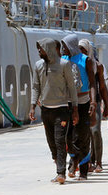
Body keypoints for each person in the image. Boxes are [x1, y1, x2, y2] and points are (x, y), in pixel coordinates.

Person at [30, 38, 78, 183]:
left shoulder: (64, 64)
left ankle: (61, 172)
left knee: (59, 141)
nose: (39, 51)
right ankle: (59, 167)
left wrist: (75, 108)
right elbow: (35, 87)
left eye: (41, 48)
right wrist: (32, 106)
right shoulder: (38, 65)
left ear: (49, 48)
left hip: (62, 109)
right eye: (38, 49)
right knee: (51, 142)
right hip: (46, 110)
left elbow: (71, 87)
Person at [61, 34, 96, 179]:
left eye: (65, 46)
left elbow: (93, 83)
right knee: (66, 136)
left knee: (83, 135)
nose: (63, 49)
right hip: (67, 101)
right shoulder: (63, 61)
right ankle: (74, 157)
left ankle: (83, 170)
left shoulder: (85, 60)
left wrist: (93, 102)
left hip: (83, 101)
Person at [81, 39, 108, 172]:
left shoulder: (98, 66)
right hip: (81, 101)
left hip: (95, 101)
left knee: (95, 131)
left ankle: (98, 161)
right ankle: (87, 161)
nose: (82, 53)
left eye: (84, 50)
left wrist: (107, 105)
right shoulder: (76, 63)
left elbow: (102, 87)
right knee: (84, 133)